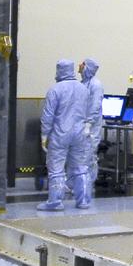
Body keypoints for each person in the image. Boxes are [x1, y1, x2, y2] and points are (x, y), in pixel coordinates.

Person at [37, 60, 90, 211]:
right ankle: (83, 201)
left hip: (60, 134)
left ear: (59, 70)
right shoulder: (83, 89)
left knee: (56, 168)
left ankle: (55, 202)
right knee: (80, 168)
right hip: (80, 134)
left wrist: (44, 135)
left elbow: (48, 116)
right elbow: (87, 112)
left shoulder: (55, 90)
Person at [75, 57, 104, 206]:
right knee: (80, 157)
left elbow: (95, 105)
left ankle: (87, 188)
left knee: (88, 157)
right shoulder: (83, 84)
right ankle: (80, 187)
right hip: (82, 125)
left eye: (83, 64)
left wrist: (89, 123)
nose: (79, 66)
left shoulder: (95, 85)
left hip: (91, 128)